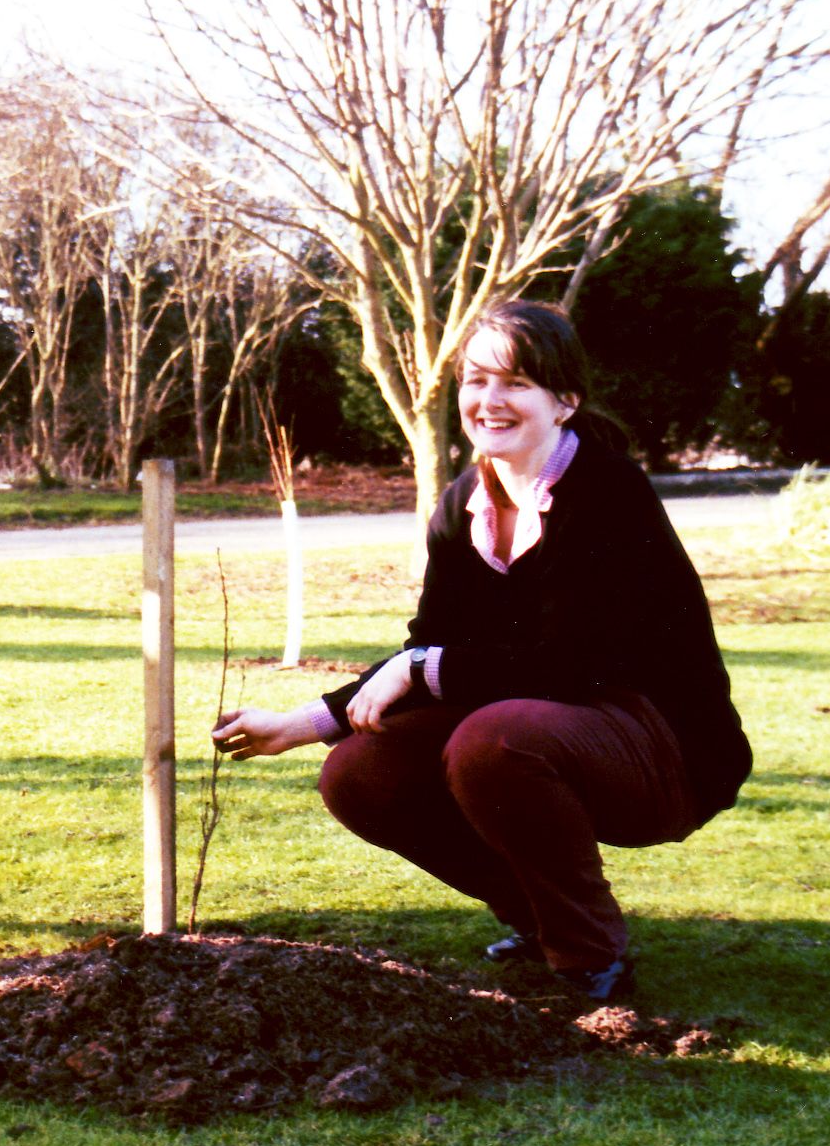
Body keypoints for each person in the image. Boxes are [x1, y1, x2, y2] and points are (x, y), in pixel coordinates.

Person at [212, 300, 751, 1002]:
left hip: (661, 749)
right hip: (555, 727)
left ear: (564, 402)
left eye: (515, 383)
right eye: (475, 380)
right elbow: (428, 645)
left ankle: (592, 960)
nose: (489, 400)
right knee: (357, 773)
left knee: (492, 741)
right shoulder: (462, 504)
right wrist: (307, 721)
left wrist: (420, 667)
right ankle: (537, 918)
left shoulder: (607, 492)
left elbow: (577, 663)